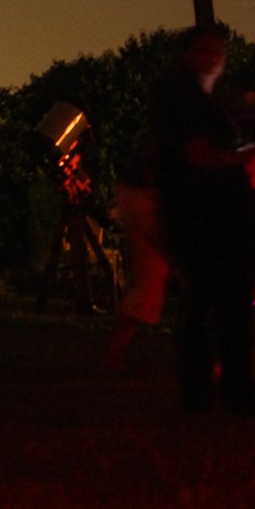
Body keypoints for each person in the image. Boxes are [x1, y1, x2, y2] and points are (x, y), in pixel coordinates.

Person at [150, 25, 255, 415]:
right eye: (204, 50)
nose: (213, 57)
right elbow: (199, 156)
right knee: (230, 308)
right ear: (186, 56)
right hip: (210, 214)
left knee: (202, 307)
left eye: (218, 51)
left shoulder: (197, 101)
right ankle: (237, 396)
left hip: (195, 212)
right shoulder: (188, 103)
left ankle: (200, 395)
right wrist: (250, 157)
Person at [102, 128, 170, 372]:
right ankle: (217, 358)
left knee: (149, 280)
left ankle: (113, 357)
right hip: (147, 198)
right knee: (196, 276)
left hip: (138, 193)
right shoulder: (188, 121)